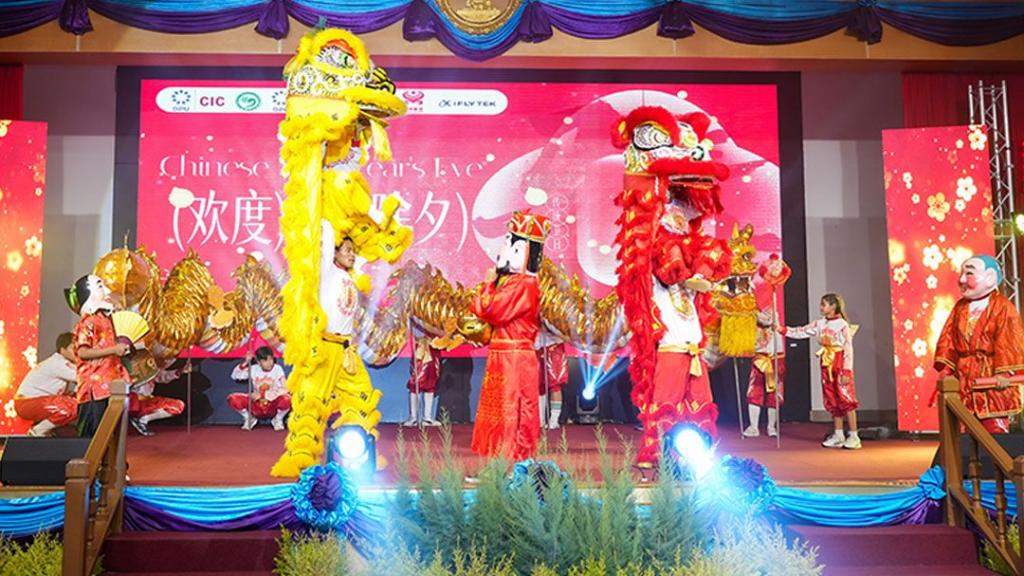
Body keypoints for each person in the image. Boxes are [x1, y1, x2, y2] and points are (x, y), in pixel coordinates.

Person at [470, 210, 550, 461]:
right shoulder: (512, 281)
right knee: (497, 413)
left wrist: (488, 285)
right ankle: (495, 464)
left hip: (515, 358)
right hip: (503, 355)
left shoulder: (524, 284)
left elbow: (492, 310)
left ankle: (512, 464)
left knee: (513, 412)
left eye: (513, 245)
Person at [934, 255, 1024, 433]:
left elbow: (1010, 340)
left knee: (993, 429)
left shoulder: (1002, 306)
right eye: (961, 274)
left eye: (969, 274)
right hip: (965, 375)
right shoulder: (960, 307)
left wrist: (1004, 372)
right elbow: (948, 338)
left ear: (989, 278)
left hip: (990, 376)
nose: (961, 280)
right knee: (966, 425)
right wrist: (947, 368)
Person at [782, 293, 860, 449]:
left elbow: (848, 348)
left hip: (839, 361)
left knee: (846, 398)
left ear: (833, 306)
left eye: (824, 304)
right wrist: (783, 330)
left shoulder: (842, 325)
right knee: (832, 399)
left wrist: (846, 370)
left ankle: (854, 435)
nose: (821, 307)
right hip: (826, 362)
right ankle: (838, 434)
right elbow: (802, 331)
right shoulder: (820, 323)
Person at [65, 274, 131, 437]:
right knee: (93, 436)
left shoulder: (107, 320)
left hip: (112, 384)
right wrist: (114, 350)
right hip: (94, 388)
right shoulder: (88, 322)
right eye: (100, 286)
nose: (107, 291)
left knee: (110, 433)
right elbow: (82, 352)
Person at [14, 332, 77, 437]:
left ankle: (45, 430)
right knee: (73, 406)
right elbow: (83, 379)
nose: (77, 352)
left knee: (73, 400)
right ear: (63, 350)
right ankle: (37, 431)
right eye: (73, 348)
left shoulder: (62, 362)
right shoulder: (58, 363)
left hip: (35, 402)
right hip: (27, 403)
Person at [743, 309, 785, 438]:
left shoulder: (772, 311)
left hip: (775, 358)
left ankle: (771, 426)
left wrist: (752, 313)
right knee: (755, 392)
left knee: (774, 394)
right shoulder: (749, 315)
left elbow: (766, 320)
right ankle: (753, 427)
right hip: (759, 358)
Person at [229, 346, 290, 431]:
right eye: (265, 360)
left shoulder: (277, 369)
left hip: (271, 405)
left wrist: (266, 395)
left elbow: (286, 388)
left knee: (287, 399)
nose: (269, 363)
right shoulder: (254, 369)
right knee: (233, 398)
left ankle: (278, 419)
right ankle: (249, 418)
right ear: (258, 362)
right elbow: (235, 376)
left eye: (271, 359)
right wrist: (246, 362)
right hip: (257, 404)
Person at [128, 362, 188, 436]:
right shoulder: (129, 366)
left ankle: (143, 420)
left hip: (147, 401)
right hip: (132, 401)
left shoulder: (151, 367)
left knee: (178, 405)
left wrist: (180, 371)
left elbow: (163, 376)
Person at [403, 337, 442, 427]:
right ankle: (413, 418)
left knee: (431, 383)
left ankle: (427, 418)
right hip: (421, 349)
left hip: (434, 348)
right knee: (416, 383)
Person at [536, 328, 568, 430]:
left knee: (555, 384)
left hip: (554, 344)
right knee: (538, 384)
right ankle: (540, 419)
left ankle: (554, 419)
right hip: (536, 344)